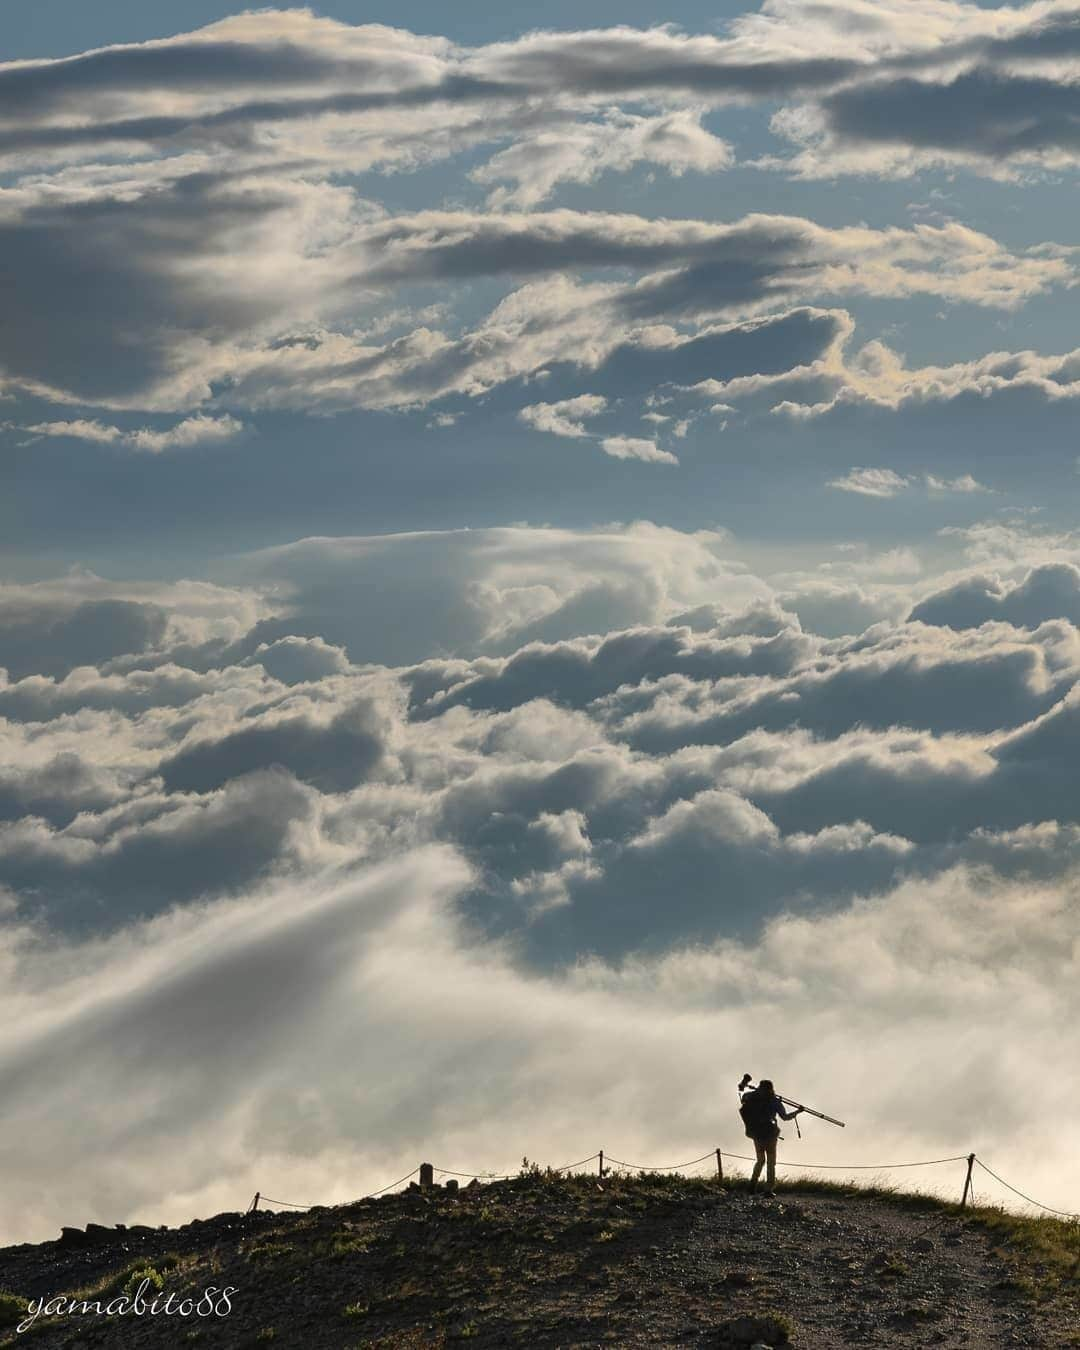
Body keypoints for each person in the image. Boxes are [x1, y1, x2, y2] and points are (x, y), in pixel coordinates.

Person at [741, 1079, 802, 1195]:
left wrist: (748, 1089)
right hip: (770, 1133)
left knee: (760, 1160)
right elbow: (785, 1117)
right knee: (771, 1161)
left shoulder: (751, 1097)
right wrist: (798, 1112)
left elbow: (743, 1099)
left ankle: (752, 1185)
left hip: (756, 1132)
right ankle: (768, 1189)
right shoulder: (775, 1101)